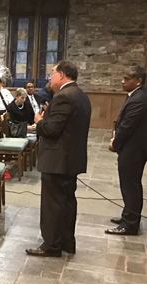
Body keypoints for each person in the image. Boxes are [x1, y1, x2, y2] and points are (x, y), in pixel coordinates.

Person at [26, 60, 91, 257]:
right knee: (67, 202)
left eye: (52, 73)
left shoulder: (64, 96)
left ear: (62, 75)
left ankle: (52, 245)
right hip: (69, 159)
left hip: (58, 160)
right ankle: (65, 242)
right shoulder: (80, 94)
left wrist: (39, 121)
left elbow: (52, 130)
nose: (50, 77)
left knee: (53, 205)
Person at [106, 66, 147, 235]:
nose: (123, 81)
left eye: (127, 79)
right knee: (128, 185)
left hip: (134, 149)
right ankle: (128, 215)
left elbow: (128, 125)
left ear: (138, 81)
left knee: (131, 186)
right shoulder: (135, 95)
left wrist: (116, 143)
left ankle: (130, 224)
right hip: (132, 148)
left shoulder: (139, 98)